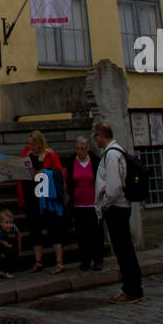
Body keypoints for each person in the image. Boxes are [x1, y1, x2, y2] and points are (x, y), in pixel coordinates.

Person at [93, 120, 143, 303]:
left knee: (123, 250)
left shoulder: (112, 155)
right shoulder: (116, 151)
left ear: (101, 135)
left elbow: (113, 187)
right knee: (124, 248)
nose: (95, 140)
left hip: (116, 208)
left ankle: (131, 289)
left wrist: (104, 204)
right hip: (120, 207)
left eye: (96, 136)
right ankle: (132, 286)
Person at [17, 129, 67, 273]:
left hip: (46, 196)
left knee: (53, 228)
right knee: (34, 229)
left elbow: (58, 175)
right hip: (31, 196)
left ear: (39, 143)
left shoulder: (50, 154)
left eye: (33, 144)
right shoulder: (26, 154)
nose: (30, 147)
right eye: (29, 144)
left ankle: (59, 262)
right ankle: (38, 261)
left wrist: (44, 173)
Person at [64, 135, 104, 272]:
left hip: (93, 205)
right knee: (82, 235)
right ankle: (85, 260)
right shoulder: (71, 162)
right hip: (78, 205)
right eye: (77, 148)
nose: (79, 151)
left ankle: (98, 260)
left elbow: (101, 180)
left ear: (88, 149)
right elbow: (66, 180)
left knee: (96, 234)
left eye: (82, 148)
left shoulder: (95, 161)